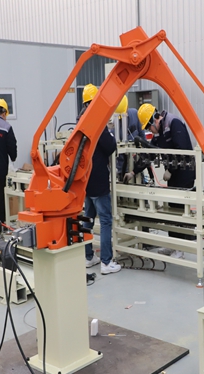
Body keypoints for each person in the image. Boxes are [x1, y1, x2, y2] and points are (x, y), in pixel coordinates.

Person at [137, 104, 196, 258]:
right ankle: (173, 244)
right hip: (174, 177)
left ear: (154, 119)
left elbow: (182, 150)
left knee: (179, 212)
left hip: (184, 174)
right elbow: (151, 153)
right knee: (172, 210)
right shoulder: (160, 131)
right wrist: (133, 171)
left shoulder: (174, 124)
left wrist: (170, 170)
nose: (150, 131)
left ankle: (180, 248)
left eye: (149, 127)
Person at [78, 84, 121, 274]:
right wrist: (109, 132)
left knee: (88, 219)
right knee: (105, 220)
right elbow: (110, 146)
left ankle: (89, 257)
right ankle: (106, 262)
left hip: (85, 179)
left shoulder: (80, 120)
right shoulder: (97, 120)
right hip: (98, 179)